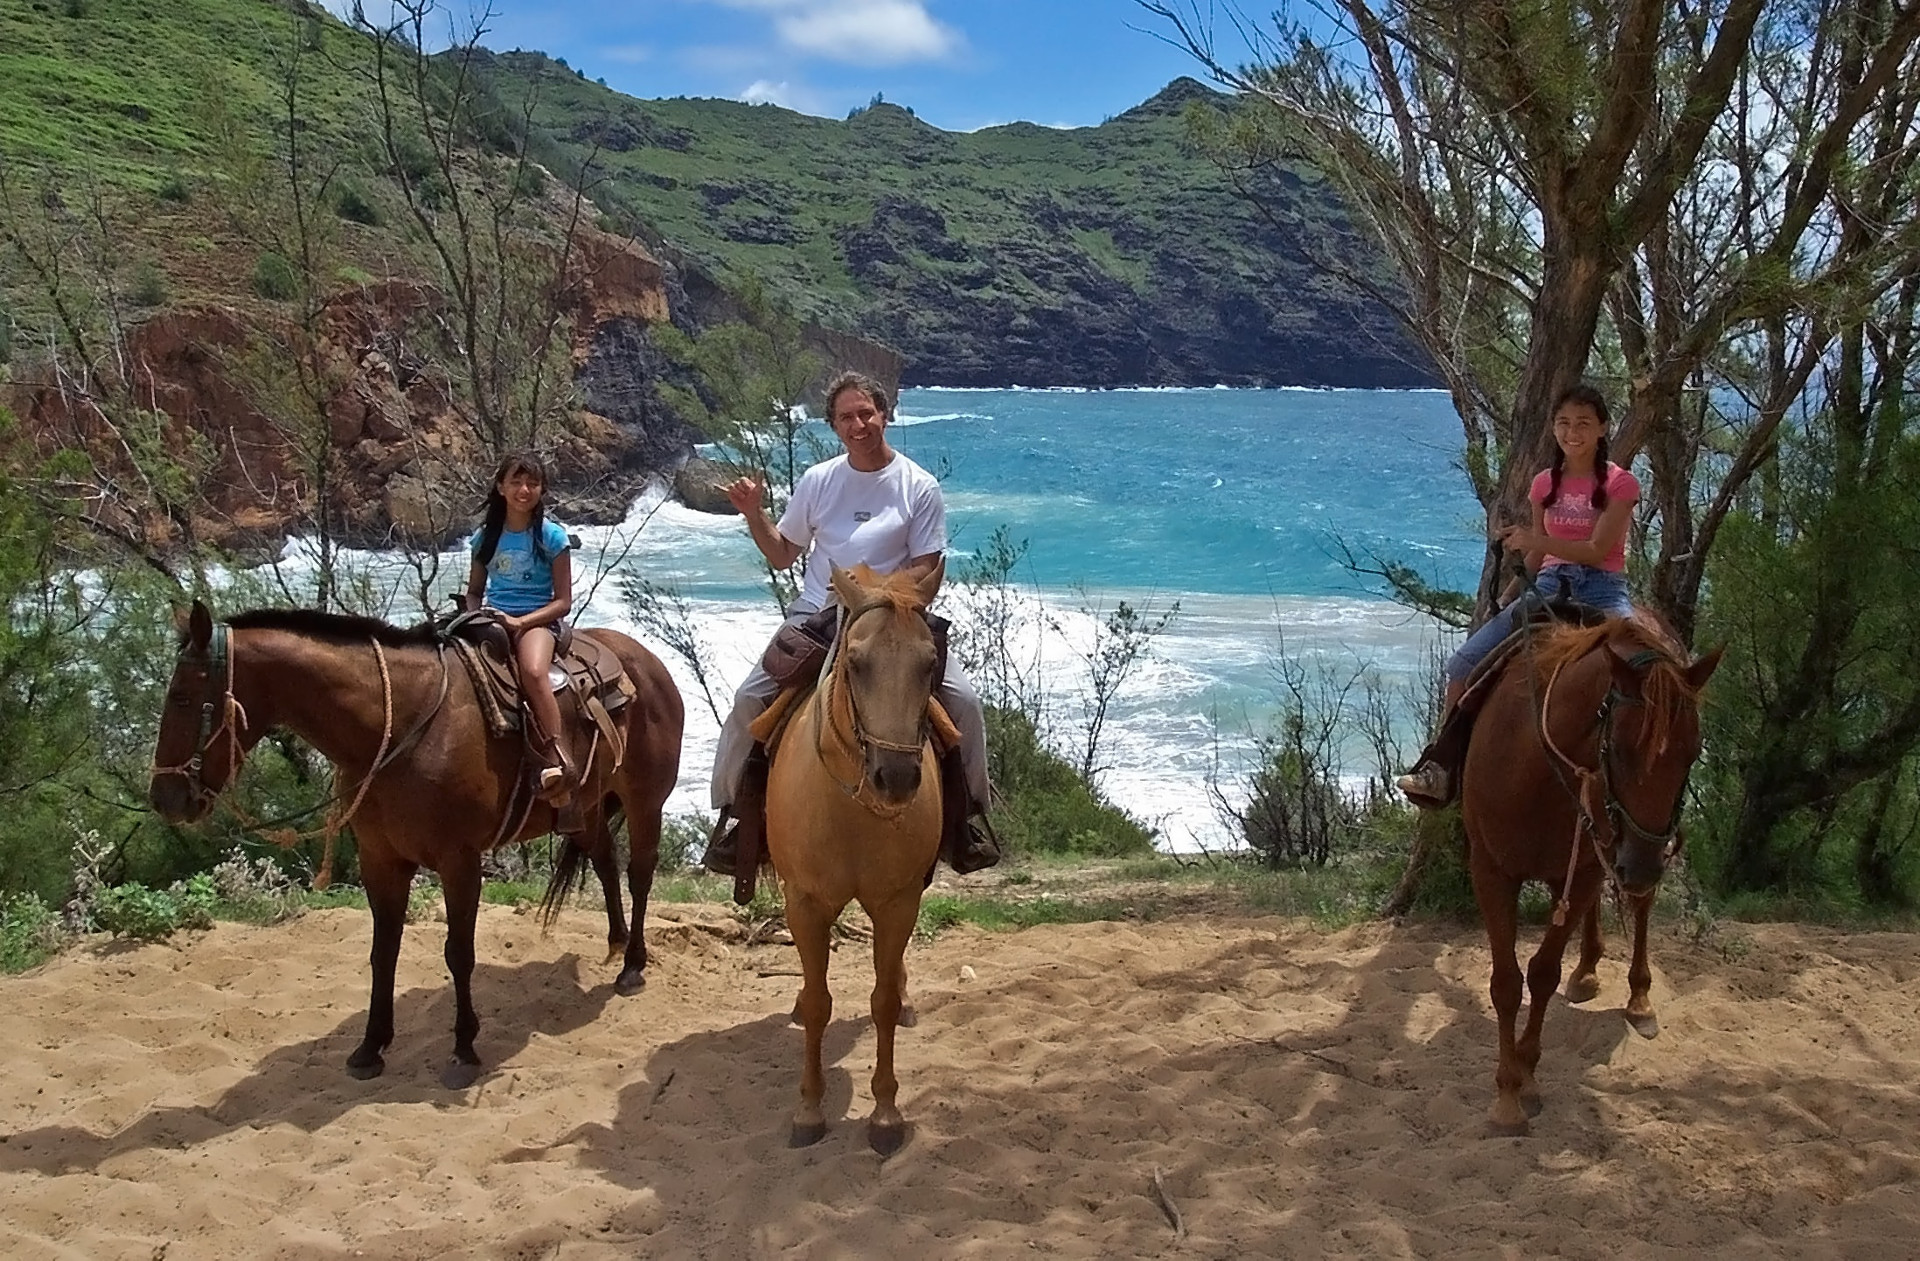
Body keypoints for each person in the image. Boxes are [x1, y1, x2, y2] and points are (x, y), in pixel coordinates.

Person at [703, 370, 998, 874]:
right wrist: (754, 513)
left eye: (867, 413)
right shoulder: (819, 481)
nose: (858, 424)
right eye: (846, 417)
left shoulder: (918, 486)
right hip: (820, 612)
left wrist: (877, 598)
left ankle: (966, 823)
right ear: (834, 426)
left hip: (894, 620)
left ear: (885, 414)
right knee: (751, 698)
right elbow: (783, 554)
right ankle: (736, 819)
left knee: (964, 704)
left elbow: (927, 567)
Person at [1396, 383, 1639, 805]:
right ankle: (1442, 767)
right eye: (1563, 423)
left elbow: (1598, 550)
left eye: (1583, 423)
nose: (1572, 432)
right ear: (1552, 428)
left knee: (1648, 670)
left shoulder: (1621, 484)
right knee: (1464, 663)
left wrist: (1535, 542)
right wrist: (1507, 599)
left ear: (1602, 428)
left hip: (1602, 590)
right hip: (1548, 586)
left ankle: (1650, 788)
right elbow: (1536, 557)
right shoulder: (1544, 483)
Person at [465, 451, 576, 801]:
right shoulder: (485, 538)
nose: (524, 489)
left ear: (541, 490)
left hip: (537, 621)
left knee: (531, 670)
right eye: (516, 481)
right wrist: (474, 614)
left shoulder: (552, 538)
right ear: (501, 487)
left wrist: (521, 622)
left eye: (532, 483)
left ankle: (559, 758)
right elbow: (474, 591)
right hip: (494, 618)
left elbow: (563, 601)